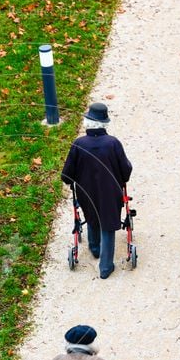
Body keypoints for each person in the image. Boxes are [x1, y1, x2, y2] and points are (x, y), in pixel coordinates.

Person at [61, 102, 132, 279]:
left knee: (91, 215)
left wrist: (71, 180)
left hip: (86, 192)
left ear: (88, 122)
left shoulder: (79, 144)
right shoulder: (113, 143)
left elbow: (66, 174)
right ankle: (106, 267)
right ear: (105, 124)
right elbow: (126, 169)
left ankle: (94, 248)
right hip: (110, 192)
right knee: (108, 224)